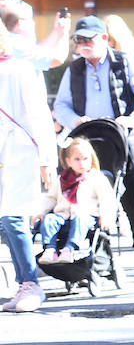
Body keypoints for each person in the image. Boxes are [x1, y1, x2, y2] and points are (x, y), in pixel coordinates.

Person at [51, 14, 134, 277]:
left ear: (104, 39)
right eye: (79, 39)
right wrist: (76, 121)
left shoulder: (124, 62)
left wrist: (131, 120)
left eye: (89, 39)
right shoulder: (74, 68)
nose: (83, 44)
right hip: (87, 146)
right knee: (87, 202)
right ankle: (98, 260)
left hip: (124, 141)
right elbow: (60, 105)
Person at [0, 26, 56, 312]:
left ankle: (30, 283)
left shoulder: (19, 70)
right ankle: (24, 282)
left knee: (13, 218)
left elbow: (37, 115)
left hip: (18, 154)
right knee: (6, 223)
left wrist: (47, 159)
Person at [37, 137, 116, 264]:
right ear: (68, 161)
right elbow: (51, 197)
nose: (82, 163)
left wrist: (106, 216)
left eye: (85, 159)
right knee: (49, 220)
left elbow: (106, 199)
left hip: (86, 216)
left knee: (80, 218)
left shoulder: (96, 178)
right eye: (77, 159)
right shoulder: (62, 179)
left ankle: (69, 249)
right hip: (63, 216)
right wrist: (40, 212)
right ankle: (50, 249)